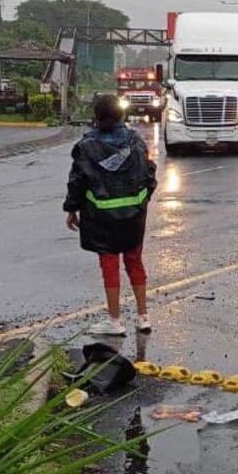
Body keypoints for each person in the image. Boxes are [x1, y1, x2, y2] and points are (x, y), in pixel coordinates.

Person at [64, 94, 157, 336]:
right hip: (134, 216)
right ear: (121, 115)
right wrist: (141, 202)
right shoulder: (136, 142)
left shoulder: (86, 146)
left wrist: (71, 209)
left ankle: (115, 322)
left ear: (96, 116)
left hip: (101, 216)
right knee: (134, 261)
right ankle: (143, 317)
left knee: (110, 264)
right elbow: (149, 176)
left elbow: (77, 181)